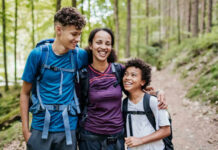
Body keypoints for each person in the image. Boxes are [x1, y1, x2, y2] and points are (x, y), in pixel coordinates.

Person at [78, 28, 167, 150]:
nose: (103, 47)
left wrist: (158, 93)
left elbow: (136, 86)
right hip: (90, 138)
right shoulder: (83, 74)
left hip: (116, 138)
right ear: (91, 45)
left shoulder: (118, 70)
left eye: (108, 44)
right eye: (99, 42)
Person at [20, 7, 87, 150]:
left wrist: (140, 85)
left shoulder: (79, 55)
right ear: (59, 30)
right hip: (39, 128)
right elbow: (25, 93)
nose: (78, 39)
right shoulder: (38, 55)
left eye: (80, 34)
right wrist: (26, 132)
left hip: (68, 129)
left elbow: (104, 67)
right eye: (74, 34)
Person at [122, 58, 171, 150]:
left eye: (133, 75)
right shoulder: (124, 104)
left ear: (143, 81)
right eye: (126, 74)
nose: (127, 78)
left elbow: (166, 130)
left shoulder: (153, 101)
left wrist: (140, 140)